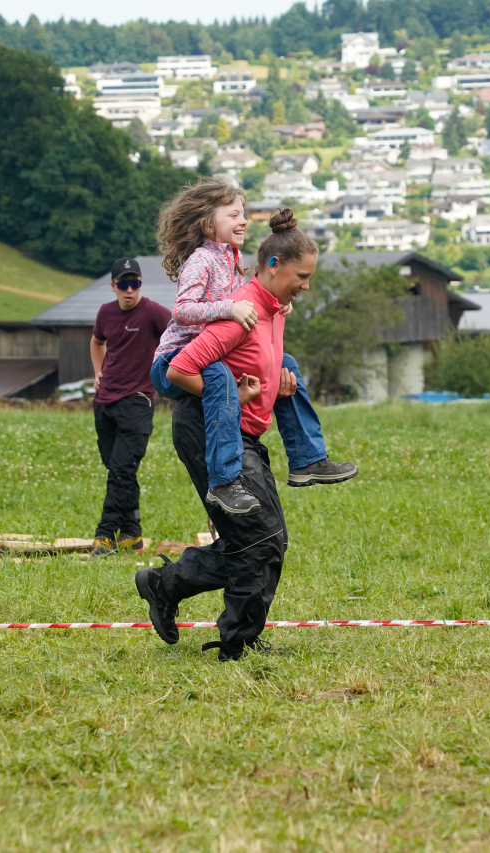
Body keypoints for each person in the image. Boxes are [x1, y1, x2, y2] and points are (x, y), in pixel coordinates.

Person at [135, 209, 318, 661]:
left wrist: (277, 386)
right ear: (274, 265)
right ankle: (237, 642)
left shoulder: (268, 307)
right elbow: (181, 368)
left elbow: (252, 369)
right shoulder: (240, 309)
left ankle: (169, 586)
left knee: (267, 539)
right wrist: (234, 396)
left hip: (239, 431)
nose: (305, 286)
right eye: (301, 276)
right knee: (258, 538)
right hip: (206, 426)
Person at [149, 178, 357, 517]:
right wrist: (229, 309)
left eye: (243, 214)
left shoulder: (232, 258)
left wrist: (278, 303)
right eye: (233, 215)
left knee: (286, 363)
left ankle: (307, 458)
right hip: (175, 358)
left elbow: (250, 297)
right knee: (220, 378)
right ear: (208, 224)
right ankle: (223, 482)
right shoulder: (202, 259)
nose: (243, 221)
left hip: (211, 354)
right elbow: (183, 311)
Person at [89, 258, 172, 557]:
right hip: (104, 402)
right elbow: (96, 342)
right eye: (123, 284)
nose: (129, 290)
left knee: (121, 471)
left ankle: (105, 535)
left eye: (134, 283)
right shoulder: (105, 312)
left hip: (138, 401)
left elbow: (182, 334)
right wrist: (98, 373)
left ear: (140, 285)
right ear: (113, 286)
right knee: (118, 469)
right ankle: (132, 534)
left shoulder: (154, 313)